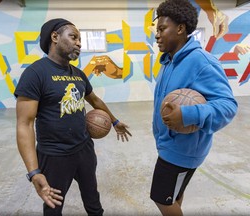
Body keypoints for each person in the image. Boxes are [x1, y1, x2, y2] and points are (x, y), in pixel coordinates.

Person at [14, 18, 132, 216]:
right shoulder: (35, 73)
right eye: (74, 37)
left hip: (84, 148)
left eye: (80, 39)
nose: (79, 43)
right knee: (53, 206)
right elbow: (24, 124)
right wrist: (34, 172)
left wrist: (115, 121)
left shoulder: (78, 74)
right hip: (54, 155)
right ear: (55, 37)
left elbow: (95, 101)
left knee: (92, 198)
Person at [149, 0, 238, 215]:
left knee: (161, 198)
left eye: (162, 29)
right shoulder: (169, 61)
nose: (157, 35)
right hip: (170, 144)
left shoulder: (202, 62)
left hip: (181, 151)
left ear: (180, 29)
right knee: (175, 194)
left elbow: (228, 106)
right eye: (156, 30)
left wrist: (189, 114)